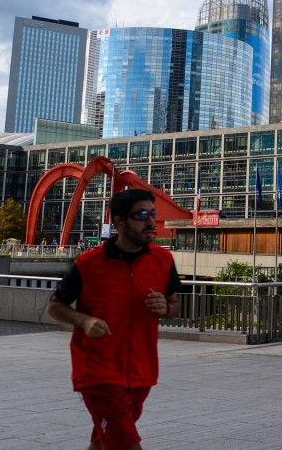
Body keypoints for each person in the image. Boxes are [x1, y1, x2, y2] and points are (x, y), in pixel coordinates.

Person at [46, 189, 181, 450]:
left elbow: (175, 305)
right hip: (98, 372)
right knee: (126, 442)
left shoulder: (163, 260)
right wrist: (84, 321)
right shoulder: (88, 263)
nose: (151, 222)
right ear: (120, 222)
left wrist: (165, 307)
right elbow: (55, 306)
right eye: (142, 215)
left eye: (153, 214)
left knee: (105, 440)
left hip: (142, 371)